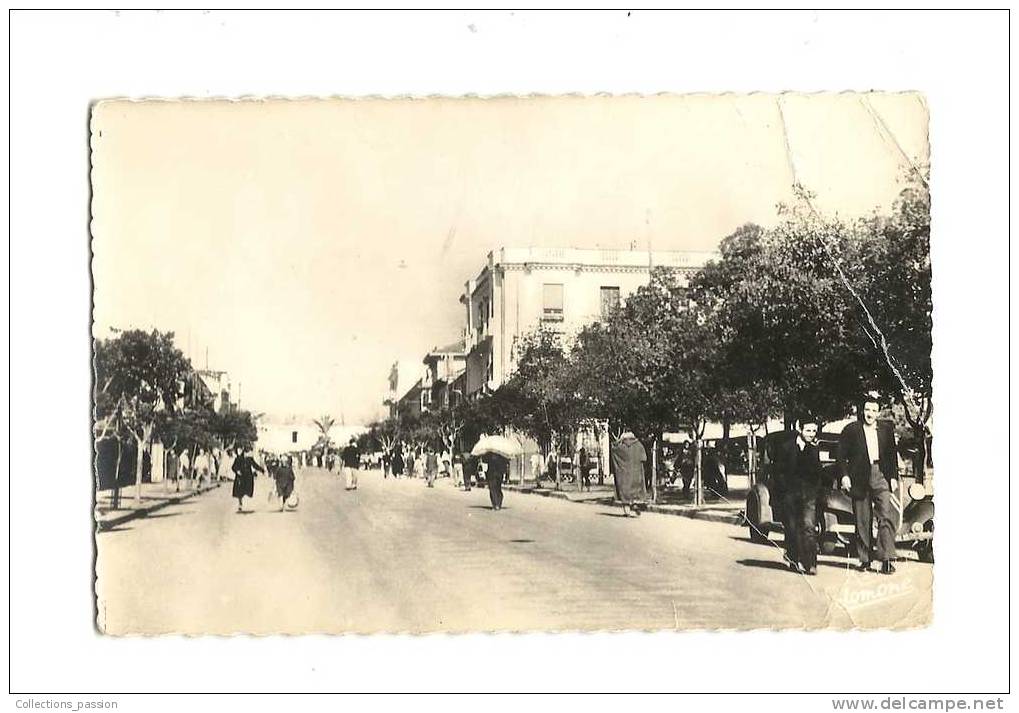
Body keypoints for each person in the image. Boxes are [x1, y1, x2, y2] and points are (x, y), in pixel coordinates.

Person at [838, 396, 899, 575]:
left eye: (873, 410)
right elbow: (840, 455)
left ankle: (886, 559)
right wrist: (844, 476)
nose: (870, 414)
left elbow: (892, 455)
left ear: (878, 412)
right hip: (859, 478)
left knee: (886, 515)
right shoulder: (851, 430)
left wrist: (893, 477)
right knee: (862, 519)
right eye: (867, 410)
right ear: (862, 411)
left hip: (881, 475)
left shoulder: (886, 430)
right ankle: (864, 559)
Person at [776, 418, 824, 575]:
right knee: (791, 527)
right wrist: (784, 491)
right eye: (808, 430)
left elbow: (817, 473)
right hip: (790, 494)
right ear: (800, 429)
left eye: (813, 431)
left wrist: (815, 491)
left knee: (809, 526)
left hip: (808, 495)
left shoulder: (814, 449)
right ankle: (793, 559)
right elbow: (779, 472)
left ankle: (811, 563)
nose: (811, 434)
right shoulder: (785, 448)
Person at [610, 431, 647, 517]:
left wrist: (617, 441)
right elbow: (644, 458)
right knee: (635, 491)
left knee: (624, 492)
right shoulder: (639, 445)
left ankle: (627, 511)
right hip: (637, 474)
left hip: (624, 475)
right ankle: (634, 504)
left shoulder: (622, 447)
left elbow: (614, 449)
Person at [231, 448, 264, 512]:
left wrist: (261, 470)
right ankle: (240, 504)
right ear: (245, 453)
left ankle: (245, 503)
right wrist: (237, 471)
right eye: (248, 453)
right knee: (239, 491)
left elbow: (255, 465)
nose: (249, 454)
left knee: (247, 490)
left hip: (248, 477)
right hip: (241, 477)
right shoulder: (238, 459)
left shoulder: (250, 459)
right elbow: (233, 467)